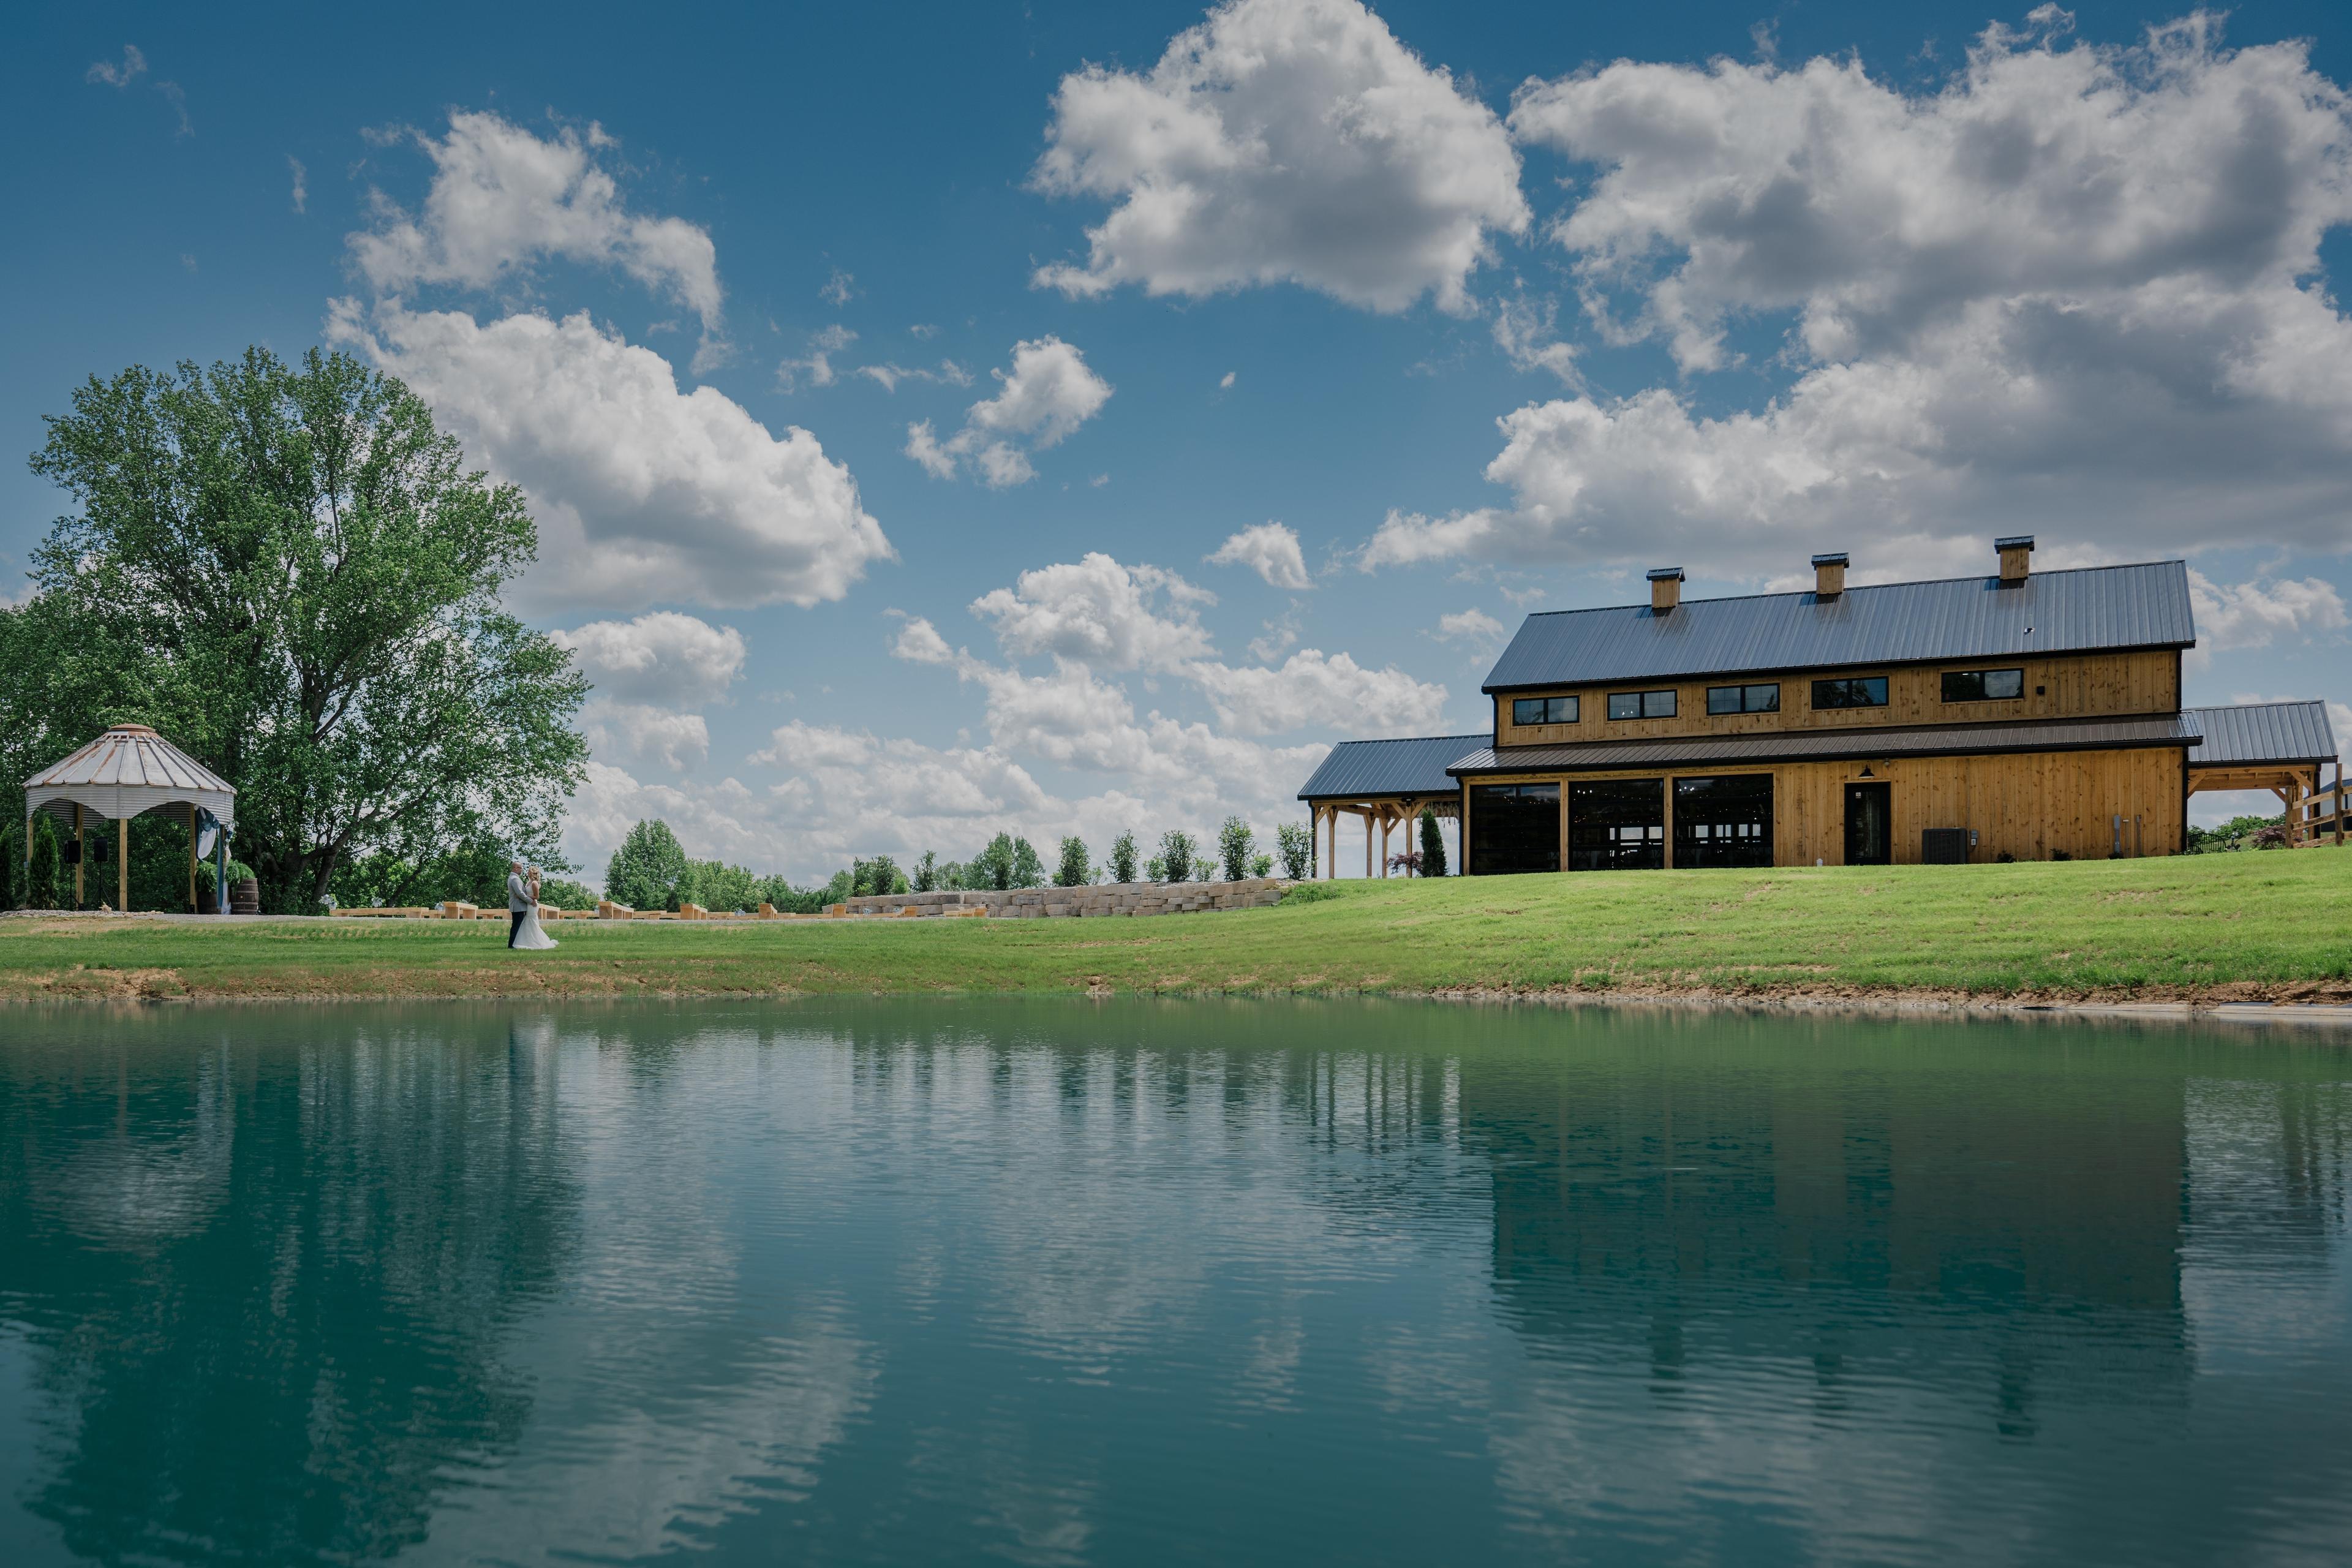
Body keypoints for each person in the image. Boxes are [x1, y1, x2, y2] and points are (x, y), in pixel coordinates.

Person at [511, 865, 559, 950]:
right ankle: (529, 941)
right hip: (528, 904)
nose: (527, 873)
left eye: (529, 871)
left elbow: (537, 896)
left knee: (532, 923)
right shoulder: (529, 882)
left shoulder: (534, 883)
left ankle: (538, 942)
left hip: (533, 905)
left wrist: (524, 896)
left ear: (532, 873)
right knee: (527, 923)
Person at [506, 859, 530, 948]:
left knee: (517, 926)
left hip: (519, 906)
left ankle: (514, 944)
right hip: (518, 906)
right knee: (516, 926)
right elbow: (520, 893)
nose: (522, 870)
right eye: (520, 868)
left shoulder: (514, 878)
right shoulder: (514, 879)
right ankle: (511, 945)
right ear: (515, 868)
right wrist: (531, 901)